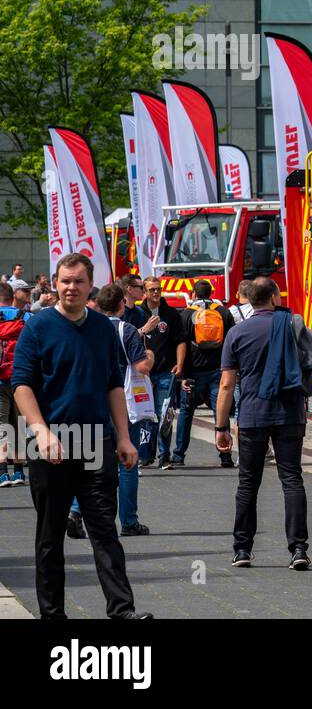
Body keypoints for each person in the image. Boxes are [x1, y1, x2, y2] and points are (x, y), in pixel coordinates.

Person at [9, 253, 151, 619]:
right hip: (50, 443)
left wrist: (123, 436)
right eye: (65, 280)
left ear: (90, 286)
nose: (71, 287)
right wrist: (40, 432)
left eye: (78, 281)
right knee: (50, 536)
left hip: (96, 443)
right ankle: (53, 614)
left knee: (105, 531)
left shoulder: (103, 328)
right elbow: (21, 385)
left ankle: (122, 612)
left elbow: (112, 386)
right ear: (55, 284)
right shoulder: (37, 327)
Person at [215, 276, 312, 570]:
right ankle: (298, 549)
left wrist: (221, 427)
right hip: (289, 413)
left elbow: (226, 384)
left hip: (252, 415)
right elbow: (311, 365)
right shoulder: (293, 325)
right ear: (273, 297)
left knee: (247, 483)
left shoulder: (237, 333)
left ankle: (242, 549)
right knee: (292, 480)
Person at [92, 284, 155, 537]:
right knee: (127, 461)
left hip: (92, 400)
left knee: (92, 459)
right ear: (121, 305)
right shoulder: (126, 329)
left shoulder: (89, 328)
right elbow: (142, 367)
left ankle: (77, 510)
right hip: (124, 401)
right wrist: (149, 354)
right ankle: (128, 520)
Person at [171, 279, 236, 468]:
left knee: (185, 413)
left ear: (193, 294)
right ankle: (225, 455)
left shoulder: (186, 314)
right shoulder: (222, 312)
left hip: (192, 373)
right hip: (217, 370)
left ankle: (178, 455)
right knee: (220, 413)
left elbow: (180, 343)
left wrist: (181, 374)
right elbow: (230, 341)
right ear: (211, 293)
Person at [140, 277, 185, 468]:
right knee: (146, 416)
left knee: (165, 413)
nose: (156, 293)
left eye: (158, 289)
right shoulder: (138, 314)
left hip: (166, 372)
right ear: (145, 292)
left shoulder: (172, 314)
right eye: (151, 290)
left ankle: (164, 456)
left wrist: (180, 364)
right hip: (143, 374)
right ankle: (145, 455)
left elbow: (181, 340)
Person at [0, 281, 27, 487]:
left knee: (2, 425)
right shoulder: (26, 318)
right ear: (12, 297)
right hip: (21, 379)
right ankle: (19, 471)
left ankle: (2, 473)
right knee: (18, 424)